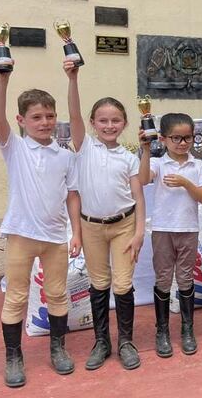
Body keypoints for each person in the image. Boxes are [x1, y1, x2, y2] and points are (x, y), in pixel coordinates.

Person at [0, 56, 81, 388]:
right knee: (16, 296)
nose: (44, 122)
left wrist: (77, 233)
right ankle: (14, 356)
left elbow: (73, 195)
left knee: (57, 294)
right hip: (22, 235)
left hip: (56, 236)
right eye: (37, 117)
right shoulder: (15, 148)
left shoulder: (65, 155)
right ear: (22, 120)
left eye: (49, 116)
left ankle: (58, 348)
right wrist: (2, 80)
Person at [65, 60, 146, 370]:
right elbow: (72, 113)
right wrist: (73, 78)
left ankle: (126, 340)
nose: (109, 126)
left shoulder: (128, 157)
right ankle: (102, 341)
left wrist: (139, 232)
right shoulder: (84, 148)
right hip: (92, 229)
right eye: (103, 121)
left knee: (123, 285)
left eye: (115, 121)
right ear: (93, 123)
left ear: (124, 123)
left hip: (124, 226)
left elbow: (138, 197)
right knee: (99, 284)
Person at [138, 113, 202, 358]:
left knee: (186, 278)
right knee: (163, 279)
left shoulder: (197, 165)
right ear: (164, 139)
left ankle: (187, 330)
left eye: (187, 137)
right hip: (163, 229)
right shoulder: (159, 163)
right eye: (176, 138)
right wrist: (146, 150)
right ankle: (162, 331)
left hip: (188, 228)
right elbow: (144, 178)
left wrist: (185, 182)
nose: (182, 143)